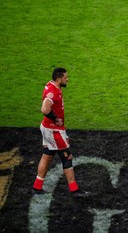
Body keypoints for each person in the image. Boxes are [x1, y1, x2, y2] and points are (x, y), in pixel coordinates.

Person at [31, 67, 90, 198]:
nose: (67, 79)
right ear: (58, 79)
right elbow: (45, 109)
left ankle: (37, 186)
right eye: (65, 77)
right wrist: (55, 118)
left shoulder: (51, 85)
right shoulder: (53, 91)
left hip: (47, 128)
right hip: (53, 130)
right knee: (67, 156)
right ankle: (74, 189)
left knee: (47, 155)